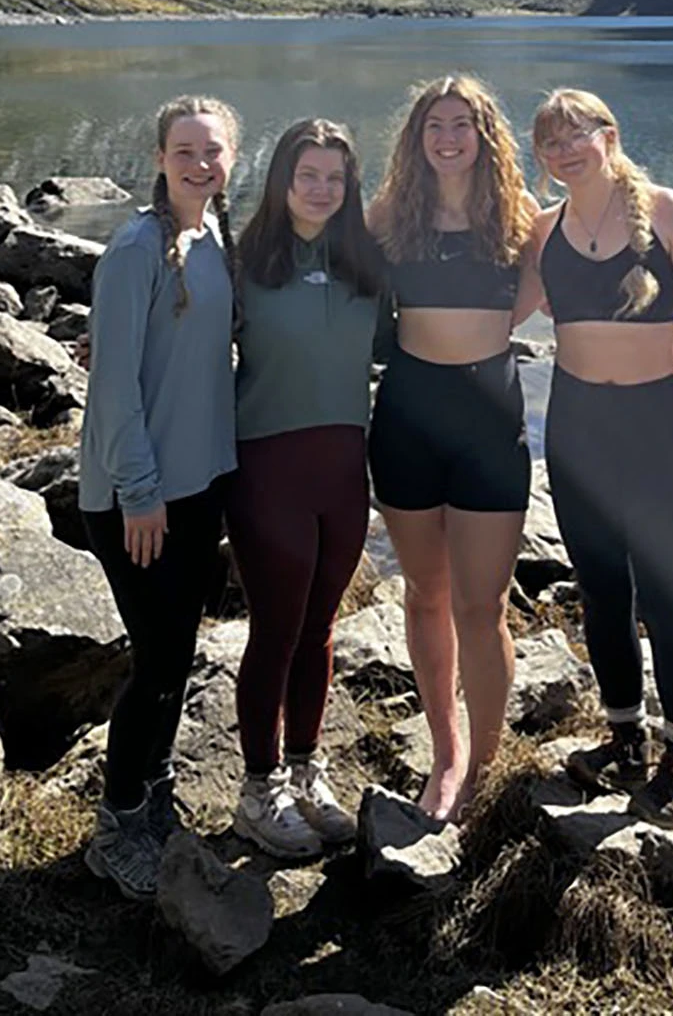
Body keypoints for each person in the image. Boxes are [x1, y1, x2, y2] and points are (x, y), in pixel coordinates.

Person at [526, 87, 673, 829]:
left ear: (608, 135)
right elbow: (499, 309)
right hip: (578, 426)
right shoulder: (544, 227)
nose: (561, 150)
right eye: (548, 141)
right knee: (602, 595)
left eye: (573, 134)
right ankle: (625, 739)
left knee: (668, 600)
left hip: (660, 424)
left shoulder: (667, 210)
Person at [78, 94, 241, 899]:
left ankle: (155, 792)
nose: (199, 162)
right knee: (157, 661)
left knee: (178, 651)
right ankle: (115, 827)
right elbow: (111, 387)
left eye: (212, 150)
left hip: (199, 485)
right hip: (138, 498)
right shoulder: (135, 248)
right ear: (159, 157)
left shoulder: (217, 236)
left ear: (230, 160)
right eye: (185, 149)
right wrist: (140, 491)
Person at [367, 74, 540, 820]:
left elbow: (544, 291)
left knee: (483, 603)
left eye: (462, 124)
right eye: (435, 124)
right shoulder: (390, 213)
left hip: (489, 424)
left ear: (485, 134)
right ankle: (446, 753)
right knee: (427, 594)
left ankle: (487, 764)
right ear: (417, 137)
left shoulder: (520, 215)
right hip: (408, 416)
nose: (447, 136)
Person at [226, 119, 386, 859]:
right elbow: (186, 341)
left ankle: (305, 768)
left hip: (344, 470)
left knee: (321, 627)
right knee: (276, 628)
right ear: (282, 178)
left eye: (335, 176)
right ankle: (258, 790)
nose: (321, 188)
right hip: (268, 466)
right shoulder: (245, 258)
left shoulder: (366, 262)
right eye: (307, 174)